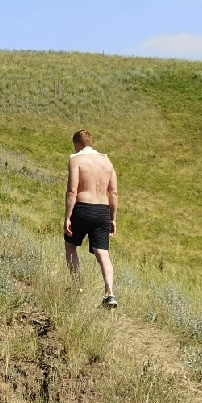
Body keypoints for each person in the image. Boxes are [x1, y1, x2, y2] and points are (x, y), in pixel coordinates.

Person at [64, 129, 118, 308]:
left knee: (71, 246)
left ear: (77, 144)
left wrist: (68, 216)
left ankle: (77, 285)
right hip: (102, 210)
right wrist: (113, 218)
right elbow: (114, 193)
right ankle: (110, 292)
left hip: (82, 207)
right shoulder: (107, 162)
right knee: (103, 253)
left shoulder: (76, 160)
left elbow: (72, 191)